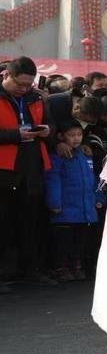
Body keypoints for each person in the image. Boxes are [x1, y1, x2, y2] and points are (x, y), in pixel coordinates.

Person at [0, 56, 55, 290]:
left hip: (32, 167)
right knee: (3, 223)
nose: (24, 89)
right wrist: (15, 136)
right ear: (6, 76)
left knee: (30, 222)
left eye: (28, 85)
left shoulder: (37, 98)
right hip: (4, 169)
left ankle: (30, 270)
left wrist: (47, 131)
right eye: (19, 84)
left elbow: (52, 127)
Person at [44, 119, 105, 282]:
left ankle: (76, 266)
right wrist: (54, 203)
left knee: (80, 241)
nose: (76, 138)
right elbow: (53, 180)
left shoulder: (85, 155)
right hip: (65, 209)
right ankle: (62, 268)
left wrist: (98, 197)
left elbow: (93, 179)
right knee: (64, 241)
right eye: (72, 135)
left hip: (85, 209)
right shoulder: (58, 157)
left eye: (79, 134)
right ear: (61, 137)